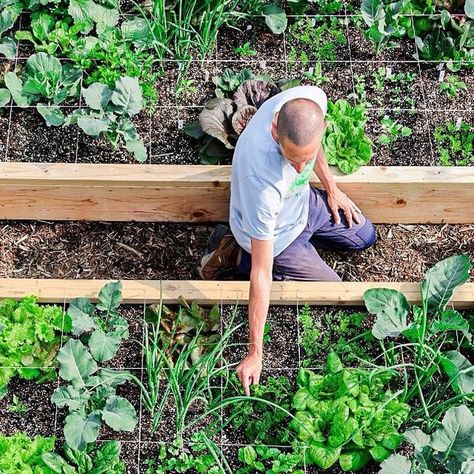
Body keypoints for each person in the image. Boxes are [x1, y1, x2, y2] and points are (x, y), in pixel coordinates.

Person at [198, 86, 376, 395]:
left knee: (365, 235)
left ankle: (304, 232)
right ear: (274, 129)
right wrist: (256, 352)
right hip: (276, 237)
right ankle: (234, 252)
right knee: (332, 291)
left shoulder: (312, 99)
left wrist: (332, 187)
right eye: (291, 158)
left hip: (301, 205)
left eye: (303, 160)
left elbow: (311, 146)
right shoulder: (263, 184)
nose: (297, 168)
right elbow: (262, 275)